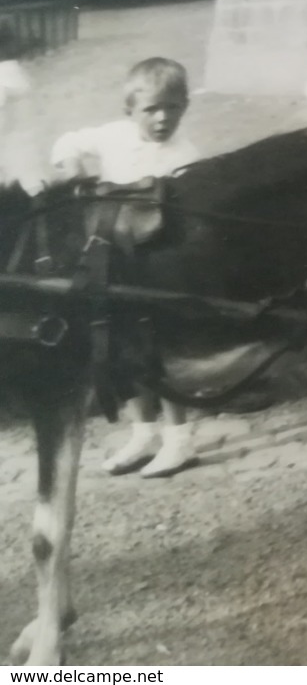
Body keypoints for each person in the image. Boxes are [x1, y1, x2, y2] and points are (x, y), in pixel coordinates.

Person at [51, 57, 202, 478]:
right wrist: (73, 169)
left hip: (159, 263)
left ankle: (179, 438)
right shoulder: (113, 136)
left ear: (185, 106)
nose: (162, 118)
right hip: (113, 260)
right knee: (126, 347)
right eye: (152, 109)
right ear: (130, 111)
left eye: (172, 107)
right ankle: (145, 430)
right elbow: (67, 142)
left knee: (161, 348)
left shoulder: (185, 156)